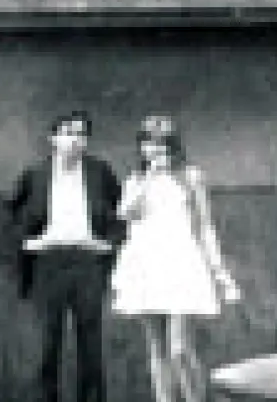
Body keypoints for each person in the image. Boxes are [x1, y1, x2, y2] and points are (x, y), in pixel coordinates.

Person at [109, 115, 242, 402]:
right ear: (141, 147)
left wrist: (219, 271)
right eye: (148, 142)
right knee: (156, 349)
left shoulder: (191, 177)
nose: (155, 149)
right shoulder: (135, 180)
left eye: (162, 143)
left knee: (179, 349)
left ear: (172, 145)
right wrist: (148, 179)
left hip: (181, 262)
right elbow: (125, 214)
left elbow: (205, 225)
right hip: (146, 263)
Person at [2, 111, 124, 402]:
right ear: (53, 138)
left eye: (81, 134)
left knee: (91, 343)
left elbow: (121, 211)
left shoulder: (100, 172)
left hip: (88, 262)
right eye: (68, 133)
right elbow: (11, 213)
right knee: (46, 343)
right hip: (48, 262)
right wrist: (28, 243)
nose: (74, 140)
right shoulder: (35, 174)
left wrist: (108, 244)